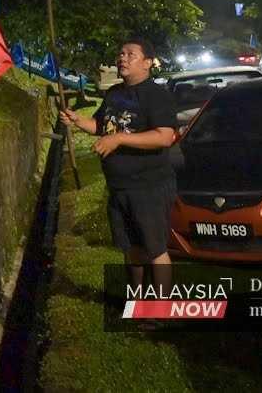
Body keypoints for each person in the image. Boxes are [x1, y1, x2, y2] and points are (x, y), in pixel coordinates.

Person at [61, 38, 177, 292]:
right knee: (131, 248)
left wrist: (120, 139)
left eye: (130, 54)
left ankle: (160, 310)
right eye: (121, 54)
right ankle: (136, 299)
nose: (122, 58)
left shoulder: (156, 95)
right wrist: (78, 120)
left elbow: (164, 136)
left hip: (149, 187)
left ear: (147, 63)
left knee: (155, 249)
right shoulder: (114, 93)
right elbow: (102, 127)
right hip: (119, 187)